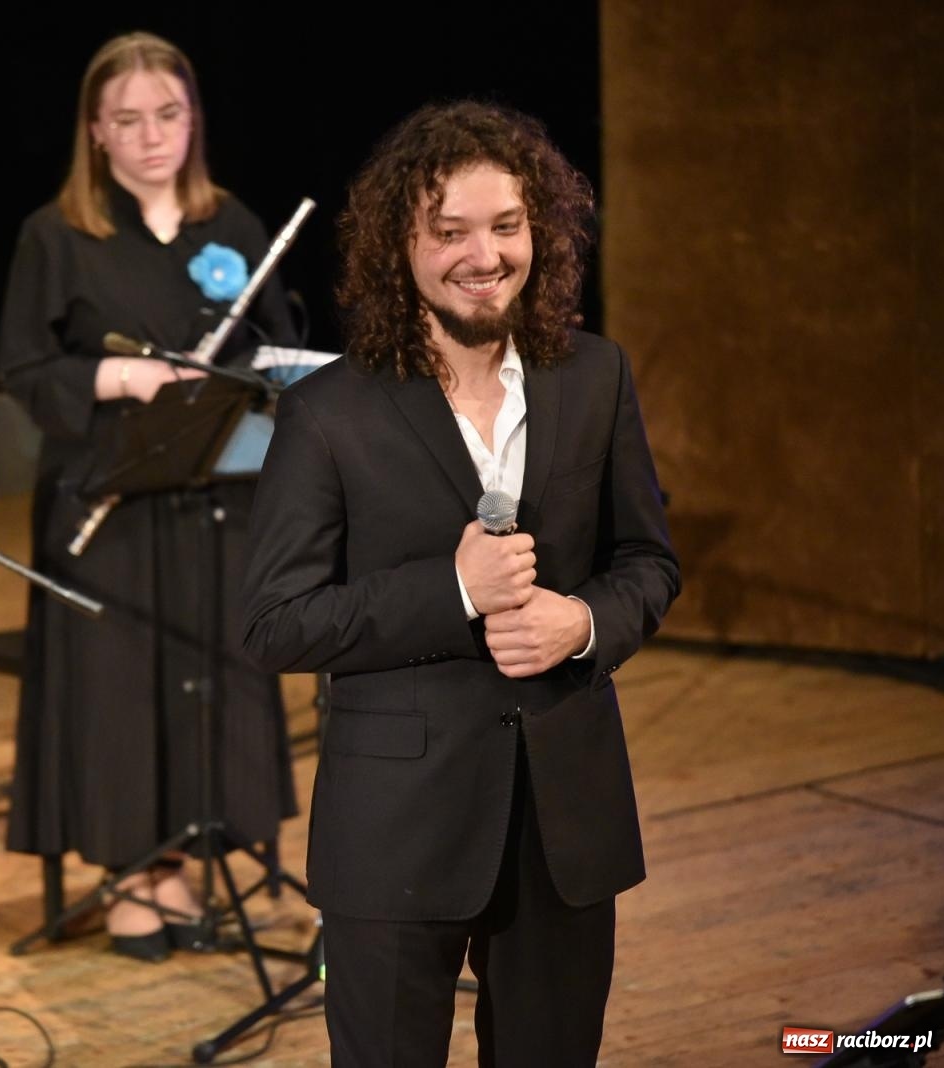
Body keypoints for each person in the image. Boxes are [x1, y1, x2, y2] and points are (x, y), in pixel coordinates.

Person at [240, 101, 681, 1066]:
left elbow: (648, 563)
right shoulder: (326, 413)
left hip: (566, 825)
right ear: (402, 244)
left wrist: (584, 622)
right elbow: (273, 624)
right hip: (396, 835)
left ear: (541, 231)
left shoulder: (595, 374)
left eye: (506, 227)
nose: (483, 256)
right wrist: (453, 590)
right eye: (451, 233)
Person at [0, 31, 300, 963]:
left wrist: (242, 381)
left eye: (167, 115)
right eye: (126, 120)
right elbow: (25, 366)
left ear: (193, 120)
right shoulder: (58, 235)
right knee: (123, 688)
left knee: (218, 667)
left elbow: (280, 351)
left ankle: (197, 858)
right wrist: (119, 383)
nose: (150, 137)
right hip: (109, 503)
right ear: (96, 131)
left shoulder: (236, 226)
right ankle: (137, 872)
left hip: (218, 498)